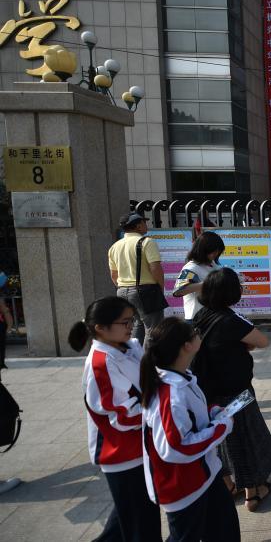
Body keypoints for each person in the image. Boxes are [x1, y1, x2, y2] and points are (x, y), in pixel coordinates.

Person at [69, 296, 162, 542]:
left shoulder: (129, 346)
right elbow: (121, 416)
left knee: (131, 518)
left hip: (140, 447)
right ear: (101, 328)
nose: (131, 326)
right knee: (140, 523)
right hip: (121, 453)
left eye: (131, 320)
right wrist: (161, 412)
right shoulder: (100, 363)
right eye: (124, 322)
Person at [140, 318, 239, 541]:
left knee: (225, 530)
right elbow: (175, 447)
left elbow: (191, 417)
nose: (198, 333)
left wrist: (212, 412)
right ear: (186, 346)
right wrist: (221, 427)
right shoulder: (171, 394)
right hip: (183, 487)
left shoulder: (180, 377)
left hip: (205, 474)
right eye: (194, 332)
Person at [193, 268, 271, 512]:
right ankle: (253, 493)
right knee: (244, 437)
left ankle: (229, 485)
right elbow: (262, 341)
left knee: (220, 439)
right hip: (237, 391)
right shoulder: (231, 320)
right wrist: (243, 345)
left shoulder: (201, 315)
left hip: (208, 391)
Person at [108, 213, 166, 346]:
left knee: (136, 325)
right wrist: (160, 288)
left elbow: (114, 274)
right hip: (145, 290)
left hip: (122, 291)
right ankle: (148, 357)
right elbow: (155, 268)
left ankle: (134, 355)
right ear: (138, 226)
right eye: (144, 222)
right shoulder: (147, 242)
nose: (146, 225)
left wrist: (123, 287)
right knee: (153, 328)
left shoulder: (115, 246)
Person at [173, 231, 225, 321]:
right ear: (203, 250)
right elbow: (179, 290)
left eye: (218, 251)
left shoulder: (213, 264)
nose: (216, 254)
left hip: (213, 316)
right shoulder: (191, 268)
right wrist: (209, 283)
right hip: (197, 318)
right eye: (213, 251)